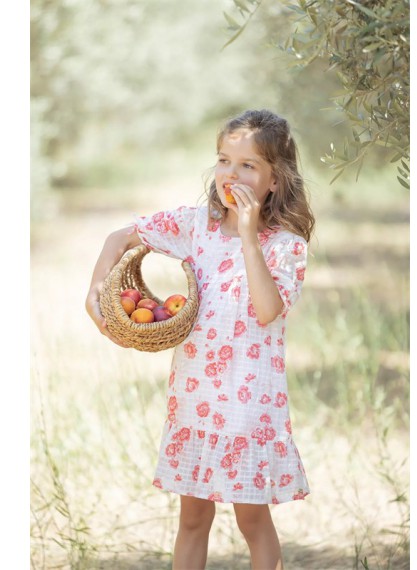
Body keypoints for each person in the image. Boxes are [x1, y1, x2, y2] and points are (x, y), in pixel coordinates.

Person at [86, 108, 315, 570]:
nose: (231, 174)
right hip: (196, 401)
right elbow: (120, 237)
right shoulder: (197, 226)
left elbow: (267, 309)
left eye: (248, 165)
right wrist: (94, 294)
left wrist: (250, 237)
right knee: (191, 518)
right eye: (223, 160)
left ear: (275, 180)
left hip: (249, 408)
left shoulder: (285, 245)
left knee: (252, 520)